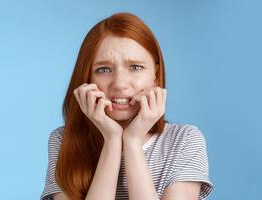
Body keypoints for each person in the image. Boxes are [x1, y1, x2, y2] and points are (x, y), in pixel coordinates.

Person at [41, 12, 213, 200]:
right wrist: (112, 140)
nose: (120, 84)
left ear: (155, 73)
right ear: (87, 78)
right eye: (104, 69)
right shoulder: (64, 140)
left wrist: (131, 141)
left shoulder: (184, 141)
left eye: (135, 67)